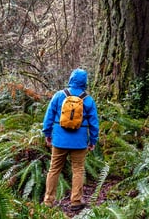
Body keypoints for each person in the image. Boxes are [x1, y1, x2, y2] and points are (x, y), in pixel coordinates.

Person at [42, 68, 99, 211]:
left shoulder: (59, 96)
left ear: (71, 79)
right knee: (78, 170)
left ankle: (48, 201)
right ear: (85, 82)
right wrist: (93, 141)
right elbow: (94, 123)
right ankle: (76, 201)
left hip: (59, 140)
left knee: (54, 169)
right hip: (79, 142)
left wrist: (47, 133)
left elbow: (49, 117)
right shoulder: (88, 99)